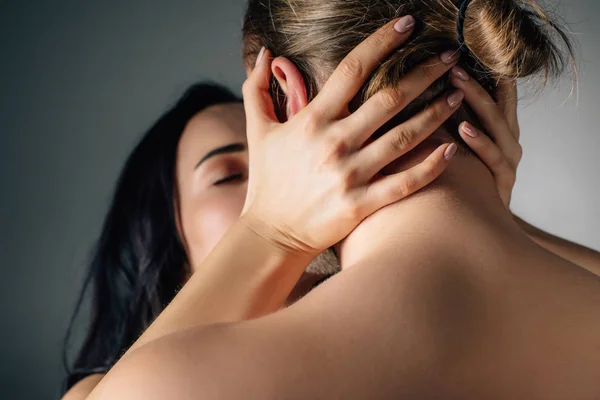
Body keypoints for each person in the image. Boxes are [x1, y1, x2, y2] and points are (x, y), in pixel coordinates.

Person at [84, 0, 600, 399]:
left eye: (266, 140)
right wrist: (480, 201)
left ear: (283, 93)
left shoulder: (163, 383)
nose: (275, 177)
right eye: (229, 173)